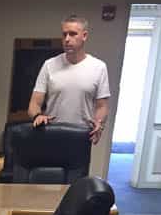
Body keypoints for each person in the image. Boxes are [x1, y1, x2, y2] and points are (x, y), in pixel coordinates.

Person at [28, 15, 110, 144]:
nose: (67, 39)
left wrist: (99, 123)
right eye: (64, 34)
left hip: (81, 136)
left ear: (84, 36)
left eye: (72, 34)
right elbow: (34, 103)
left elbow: (102, 106)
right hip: (50, 134)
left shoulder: (99, 67)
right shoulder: (49, 65)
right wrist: (38, 116)